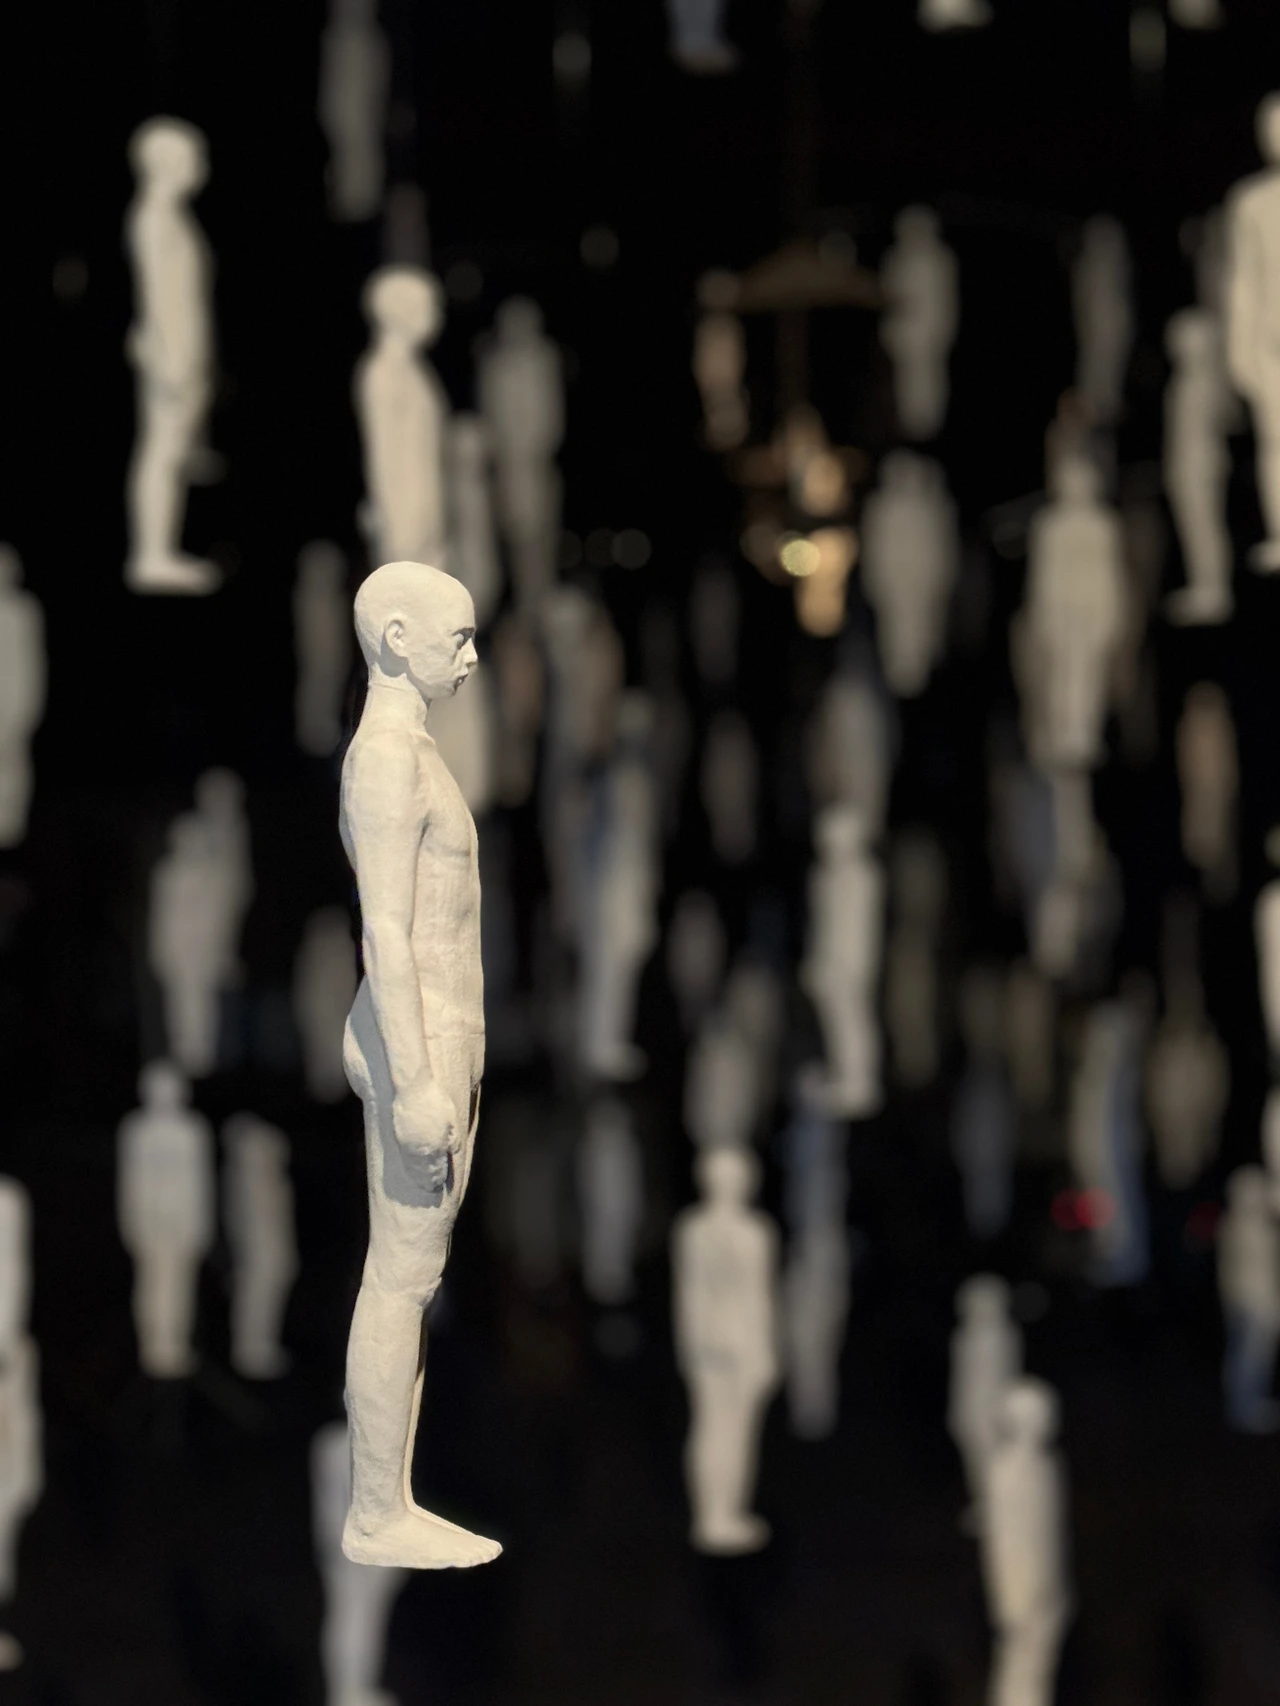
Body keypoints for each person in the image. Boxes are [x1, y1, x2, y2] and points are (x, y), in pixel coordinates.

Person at [339, 559, 500, 1568]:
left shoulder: (412, 752)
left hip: (440, 1033)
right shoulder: (387, 760)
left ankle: (388, 1496)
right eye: (459, 637)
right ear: (398, 637)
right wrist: (414, 1080)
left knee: (414, 1274)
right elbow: (386, 934)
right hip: (419, 1039)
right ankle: (372, 1511)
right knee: (398, 1277)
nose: (472, 658)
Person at [124, 118, 220, 595]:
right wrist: (170, 356)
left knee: (171, 453)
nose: (200, 167)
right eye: (192, 157)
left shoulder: (170, 216)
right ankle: (152, 554)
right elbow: (158, 293)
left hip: (182, 350)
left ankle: (161, 549)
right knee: (161, 451)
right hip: (170, 353)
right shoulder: (154, 218)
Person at [672, 1147, 779, 1553]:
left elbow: (690, 1295)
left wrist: (690, 1344)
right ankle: (721, 1516)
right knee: (732, 1432)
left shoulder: (694, 1229)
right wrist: (764, 1352)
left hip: (707, 1340)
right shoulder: (753, 1232)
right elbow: (757, 1300)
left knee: (711, 1428)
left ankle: (715, 1515)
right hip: (738, 1341)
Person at [355, 269, 449, 569]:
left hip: (426, 506)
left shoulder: (414, 370)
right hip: (404, 515)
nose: (436, 316)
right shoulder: (382, 372)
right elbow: (383, 454)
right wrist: (398, 525)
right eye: (429, 306)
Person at [1226, 95, 1280, 565]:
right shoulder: (1251, 200)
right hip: (1271, 337)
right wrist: (1239, 347)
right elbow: (1243, 279)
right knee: (1275, 440)